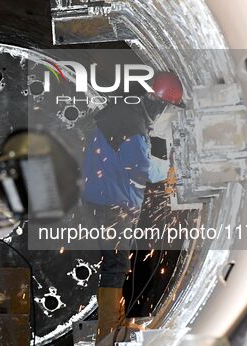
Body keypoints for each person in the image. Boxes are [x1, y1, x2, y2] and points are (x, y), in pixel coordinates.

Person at [81, 71, 184, 343]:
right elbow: (145, 172)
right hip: (111, 204)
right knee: (115, 266)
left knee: (116, 263)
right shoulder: (134, 126)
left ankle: (114, 327)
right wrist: (168, 160)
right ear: (161, 104)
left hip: (100, 199)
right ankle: (108, 335)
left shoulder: (126, 112)